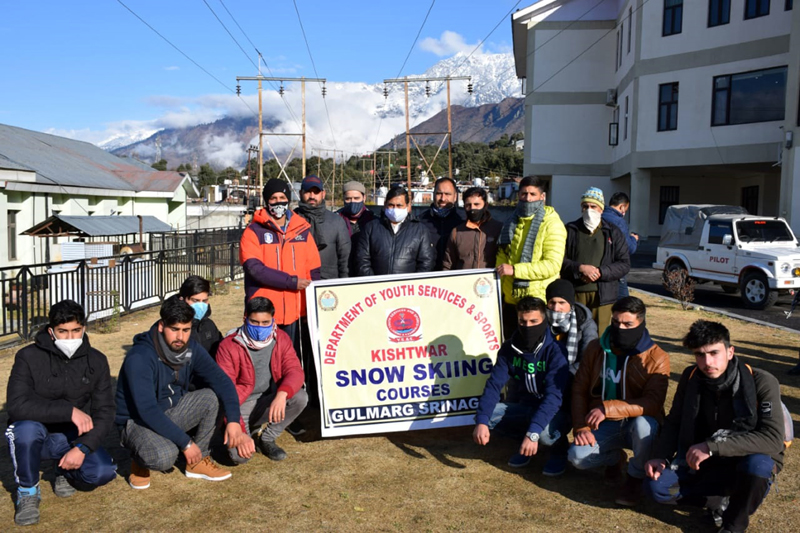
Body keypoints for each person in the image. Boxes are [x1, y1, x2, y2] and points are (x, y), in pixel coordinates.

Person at [645, 320, 786, 532]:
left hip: (745, 461)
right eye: (699, 355)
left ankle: (733, 523)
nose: (707, 362)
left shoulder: (762, 381)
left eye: (714, 353)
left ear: (730, 352)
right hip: (703, 463)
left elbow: (773, 439)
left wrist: (711, 446)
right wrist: (660, 455)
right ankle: (721, 501)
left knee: (758, 466)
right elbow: (674, 421)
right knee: (658, 487)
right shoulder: (690, 377)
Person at [115, 296, 249, 490]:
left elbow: (223, 382)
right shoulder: (140, 357)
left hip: (172, 410)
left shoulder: (191, 348)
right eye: (174, 329)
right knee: (164, 457)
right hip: (137, 421)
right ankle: (139, 459)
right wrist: (186, 443)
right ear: (162, 326)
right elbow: (146, 410)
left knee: (213, 397)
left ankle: (198, 461)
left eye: (186, 330)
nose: (180, 337)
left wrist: (234, 421)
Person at [6, 300, 117, 526]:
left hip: (71, 436)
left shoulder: (97, 360)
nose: (70, 338)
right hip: (36, 429)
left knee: (103, 472)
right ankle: (27, 491)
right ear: (51, 331)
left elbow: (105, 411)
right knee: (25, 430)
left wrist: (83, 447)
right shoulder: (27, 357)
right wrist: (69, 411)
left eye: (76, 330)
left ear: (84, 328)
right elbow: (17, 405)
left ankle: (63, 471)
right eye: (62, 332)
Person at [568, 296, 669, 507]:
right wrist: (580, 426)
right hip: (603, 423)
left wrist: (607, 407)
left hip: (636, 423)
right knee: (577, 457)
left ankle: (634, 479)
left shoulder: (657, 356)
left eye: (627, 324)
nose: (620, 328)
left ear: (641, 323)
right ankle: (615, 460)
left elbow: (653, 403)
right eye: (616, 322)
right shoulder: (596, 348)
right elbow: (579, 390)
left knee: (644, 425)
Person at [473, 297, 570, 474]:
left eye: (534, 321)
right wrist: (481, 421)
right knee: (487, 414)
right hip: (525, 406)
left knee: (543, 432)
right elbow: (494, 385)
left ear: (544, 320)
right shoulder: (509, 348)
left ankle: (559, 450)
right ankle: (526, 444)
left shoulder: (556, 350)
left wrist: (533, 432)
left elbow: (554, 398)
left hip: (557, 411)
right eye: (522, 321)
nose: (527, 326)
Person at [215, 297, 308, 463]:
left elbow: (295, 371)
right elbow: (226, 391)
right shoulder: (228, 346)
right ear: (245, 318)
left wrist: (282, 394)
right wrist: (237, 426)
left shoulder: (281, 338)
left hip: (267, 400)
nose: (260, 328)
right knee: (240, 457)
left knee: (300, 397)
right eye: (254, 322)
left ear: (273, 320)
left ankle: (267, 439)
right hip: (238, 404)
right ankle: (238, 430)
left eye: (265, 322)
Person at [240, 178, 321, 347]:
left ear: (288, 200)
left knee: (290, 360)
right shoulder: (253, 232)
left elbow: (312, 272)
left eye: (282, 198)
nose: (278, 202)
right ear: (266, 201)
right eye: (273, 198)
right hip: (263, 312)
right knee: (263, 363)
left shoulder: (302, 230)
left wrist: (311, 306)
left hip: (294, 311)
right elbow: (254, 269)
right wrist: (290, 282)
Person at [496, 176, 566, 339]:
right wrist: (498, 275)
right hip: (511, 302)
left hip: (537, 302)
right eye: (523, 194)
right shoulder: (511, 221)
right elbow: (503, 253)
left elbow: (552, 265)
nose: (527, 198)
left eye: (532, 194)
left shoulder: (552, 224)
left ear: (542, 197)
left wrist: (514, 270)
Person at [561, 187, 630, 332]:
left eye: (593, 206)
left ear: (601, 209)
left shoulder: (613, 231)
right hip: (576, 294)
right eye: (585, 206)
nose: (589, 210)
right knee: (576, 334)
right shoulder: (570, 230)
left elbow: (624, 264)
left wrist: (601, 272)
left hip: (603, 297)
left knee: (600, 337)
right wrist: (579, 268)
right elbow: (560, 260)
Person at [355, 185, 435, 276]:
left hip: (407, 288)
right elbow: (362, 260)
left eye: (399, 205)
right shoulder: (371, 228)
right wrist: (373, 282)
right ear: (385, 205)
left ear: (408, 206)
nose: (395, 209)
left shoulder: (420, 231)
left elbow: (426, 263)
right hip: (377, 287)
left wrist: (412, 284)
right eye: (391, 205)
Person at [294, 175, 350, 279]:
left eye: (316, 192)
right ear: (300, 193)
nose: (312, 196)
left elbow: (345, 258)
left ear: (323, 194)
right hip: (299, 282)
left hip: (328, 285)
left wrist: (344, 285)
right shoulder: (292, 220)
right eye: (307, 191)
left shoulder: (336, 221)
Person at [442, 187, 503, 270]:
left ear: (485, 205)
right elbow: (448, 264)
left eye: (477, 204)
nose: (472, 208)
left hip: (489, 281)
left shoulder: (499, 229)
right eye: (468, 205)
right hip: (463, 281)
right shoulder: (457, 232)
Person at [418, 177, 464, 270]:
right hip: (428, 277)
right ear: (433, 195)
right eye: (439, 194)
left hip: (455, 277)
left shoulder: (463, 221)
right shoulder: (420, 222)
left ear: (455, 197)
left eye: (447, 194)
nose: (443, 198)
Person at [601, 192, 639, 299]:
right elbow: (628, 248)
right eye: (626, 209)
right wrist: (633, 239)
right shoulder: (618, 221)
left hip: (600, 265)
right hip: (615, 267)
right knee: (623, 303)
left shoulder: (600, 216)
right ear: (622, 207)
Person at [336, 180, 376, 277]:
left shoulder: (374, 221)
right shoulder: (335, 220)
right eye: (348, 199)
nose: (352, 202)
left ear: (364, 198)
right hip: (341, 273)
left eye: (356, 198)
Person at [179, 275, 222, 358]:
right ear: (182, 299)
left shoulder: (209, 325)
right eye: (195, 301)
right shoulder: (173, 326)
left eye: (204, 301)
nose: (201, 305)